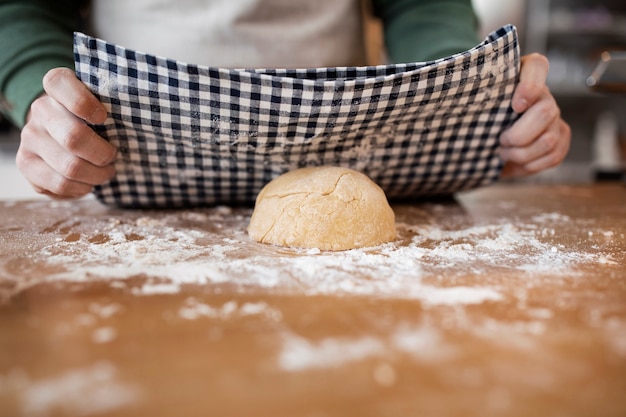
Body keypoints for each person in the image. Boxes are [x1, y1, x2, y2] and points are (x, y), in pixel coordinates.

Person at [0, 0, 571, 200]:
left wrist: (463, 89)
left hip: (350, 148)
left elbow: (422, 5)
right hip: (132, 148)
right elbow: (23, 8)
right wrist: (41, 95)